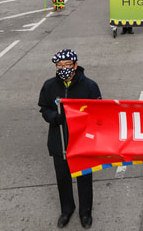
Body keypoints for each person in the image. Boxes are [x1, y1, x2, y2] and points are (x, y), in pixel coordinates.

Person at [38, 49, 101, 229]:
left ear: (75, 65)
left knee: (84, 177)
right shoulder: (50, 86)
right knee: (63, 177)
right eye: (59, 66)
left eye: (67, 65)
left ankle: (85, 211)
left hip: (82, 141)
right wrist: (53, 117)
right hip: (59, 141)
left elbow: (98, 112)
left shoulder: (89, 86)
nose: (63, 69)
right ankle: (67, 209)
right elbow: (44, 107)